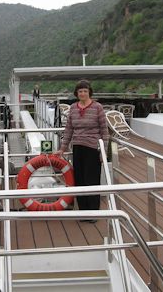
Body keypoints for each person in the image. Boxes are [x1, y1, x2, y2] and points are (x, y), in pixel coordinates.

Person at [55, 79, 109, 222]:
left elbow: (104, 130)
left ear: (89, 92)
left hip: (92, 147)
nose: (83, 93)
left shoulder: (97, 107)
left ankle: (93, 214)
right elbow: (68, 130)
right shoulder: (73, 108)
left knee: (91, 180)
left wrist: (104, 152)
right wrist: (62, 148)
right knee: (79, 180)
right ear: (76, 93)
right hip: (77, 148)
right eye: (80, 91)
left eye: (85, 91)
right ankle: (83, 213)